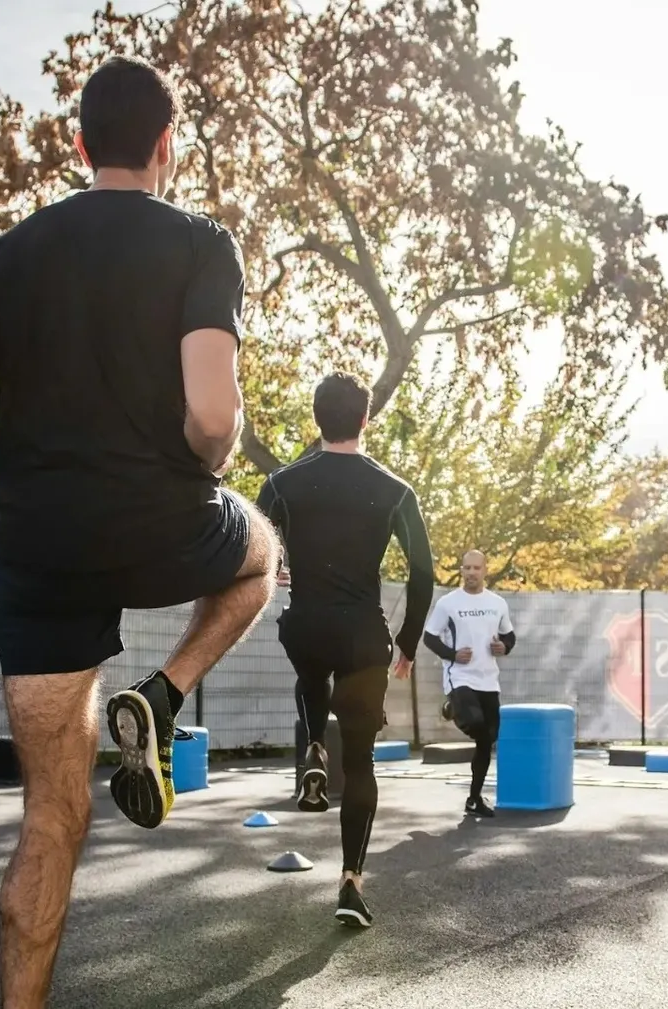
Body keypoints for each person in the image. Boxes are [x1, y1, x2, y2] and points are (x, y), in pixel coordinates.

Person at [0, 55, 278, 1009]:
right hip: (161, 519)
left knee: (49, 821)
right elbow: (211, 418)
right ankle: (163, 691)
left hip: (39, 548)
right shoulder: (200, 243)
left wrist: (16, 447)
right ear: (166, 146)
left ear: (78, 145)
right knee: (261, 556)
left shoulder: (12, 254)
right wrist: (207, 456)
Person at [256, 372, 435, 928]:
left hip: (305, 625)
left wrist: (278, 566)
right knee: (361, 765)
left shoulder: (282, 483)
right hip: (363, 636)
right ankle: (350, 884)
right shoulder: (395, 490)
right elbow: (424, 574)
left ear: (316, 418)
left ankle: (312, 745)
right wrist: (407, 644)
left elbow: (253, 546)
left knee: (310, 671)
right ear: (365, 418)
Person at [421, 550, 515, 817]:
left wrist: (503, 646)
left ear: (485, 570)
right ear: (462, 571)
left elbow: (510, 635)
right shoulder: (448, 603)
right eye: (467, 568)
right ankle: (454, 706)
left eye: (476, 568)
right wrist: (452, 655)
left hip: (489, 680)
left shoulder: (497, 603)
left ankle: (474, 799)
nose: (471, 572)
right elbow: (429, 638)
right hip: (459, 677)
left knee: (489, 737)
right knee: (475, 723)